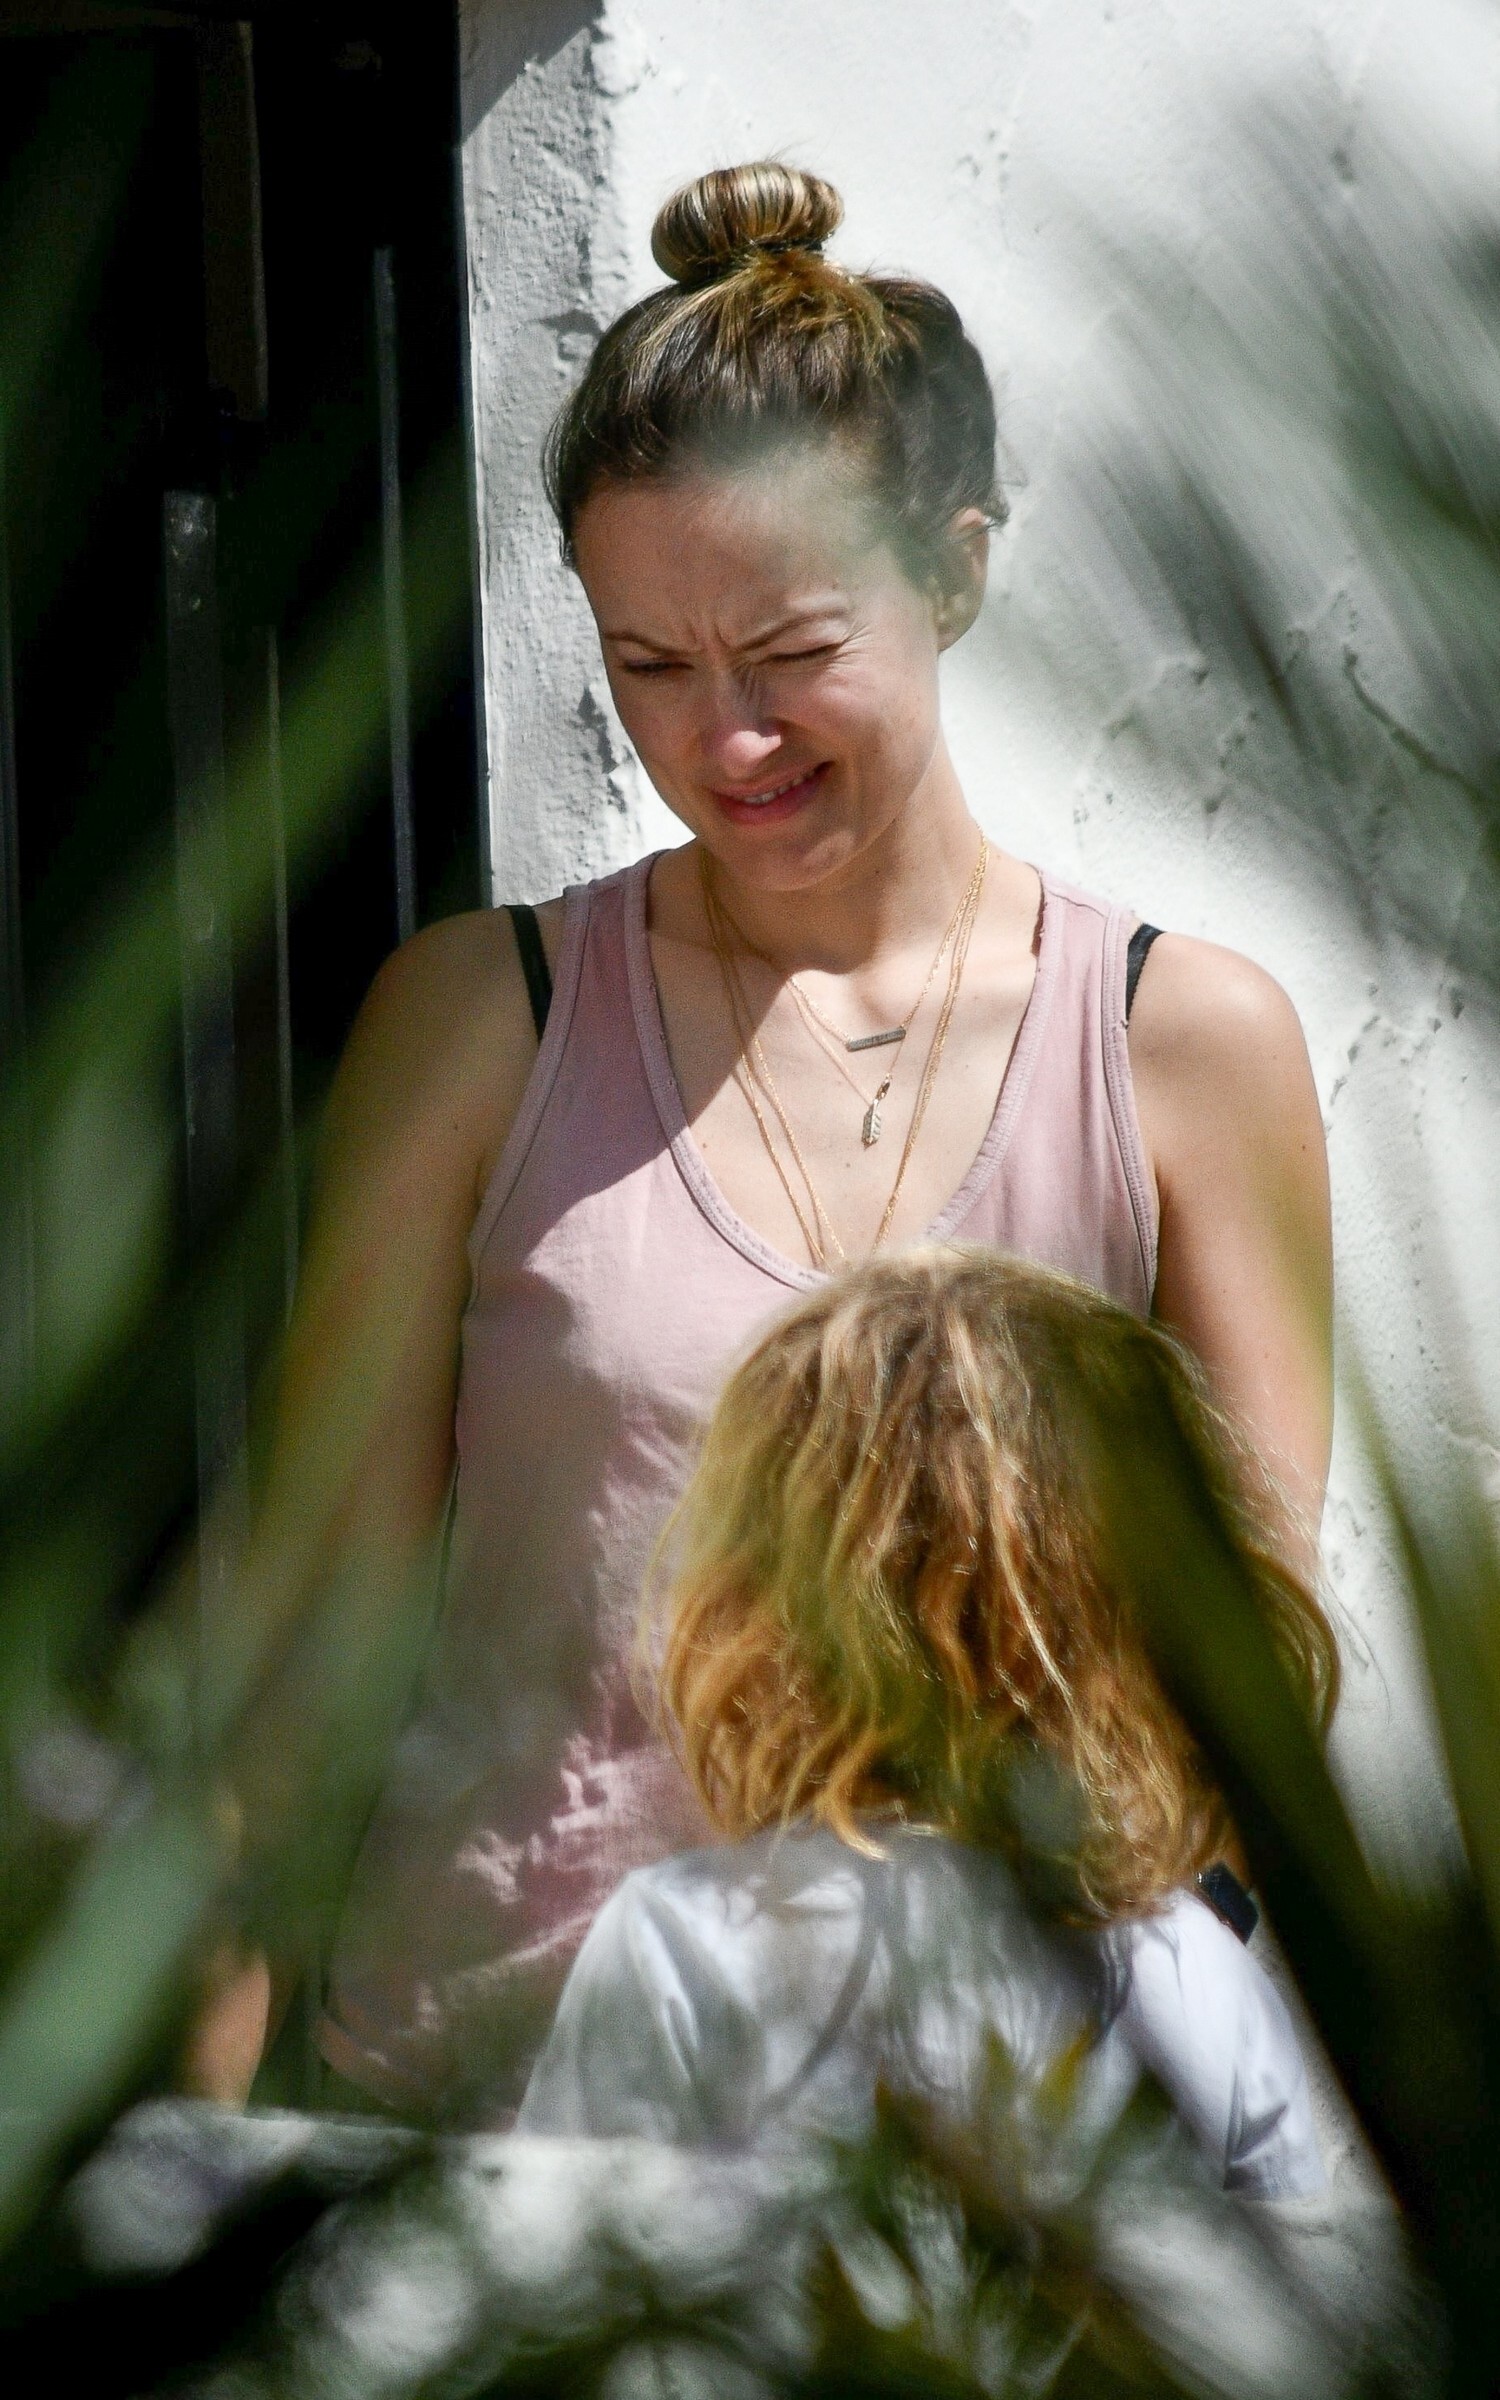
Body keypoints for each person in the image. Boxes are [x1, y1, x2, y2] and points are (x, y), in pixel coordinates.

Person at [195, 162, 1333, 2117]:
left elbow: (1244, 1701)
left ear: (954, 572)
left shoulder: (1182, 1046)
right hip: (502, 2135)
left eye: (790, 649)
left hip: (996, 2153)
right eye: (646, 665)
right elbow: (301, 1675)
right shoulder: (481, 1021)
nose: (723, 741)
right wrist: (190, 2166)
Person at [518, 1247, 1336, 2203]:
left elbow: (554, 2258)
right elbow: (1305, 2274)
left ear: (768, 1593)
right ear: (1123, 1614)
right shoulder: (1196, 1972)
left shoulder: (679, 1943)